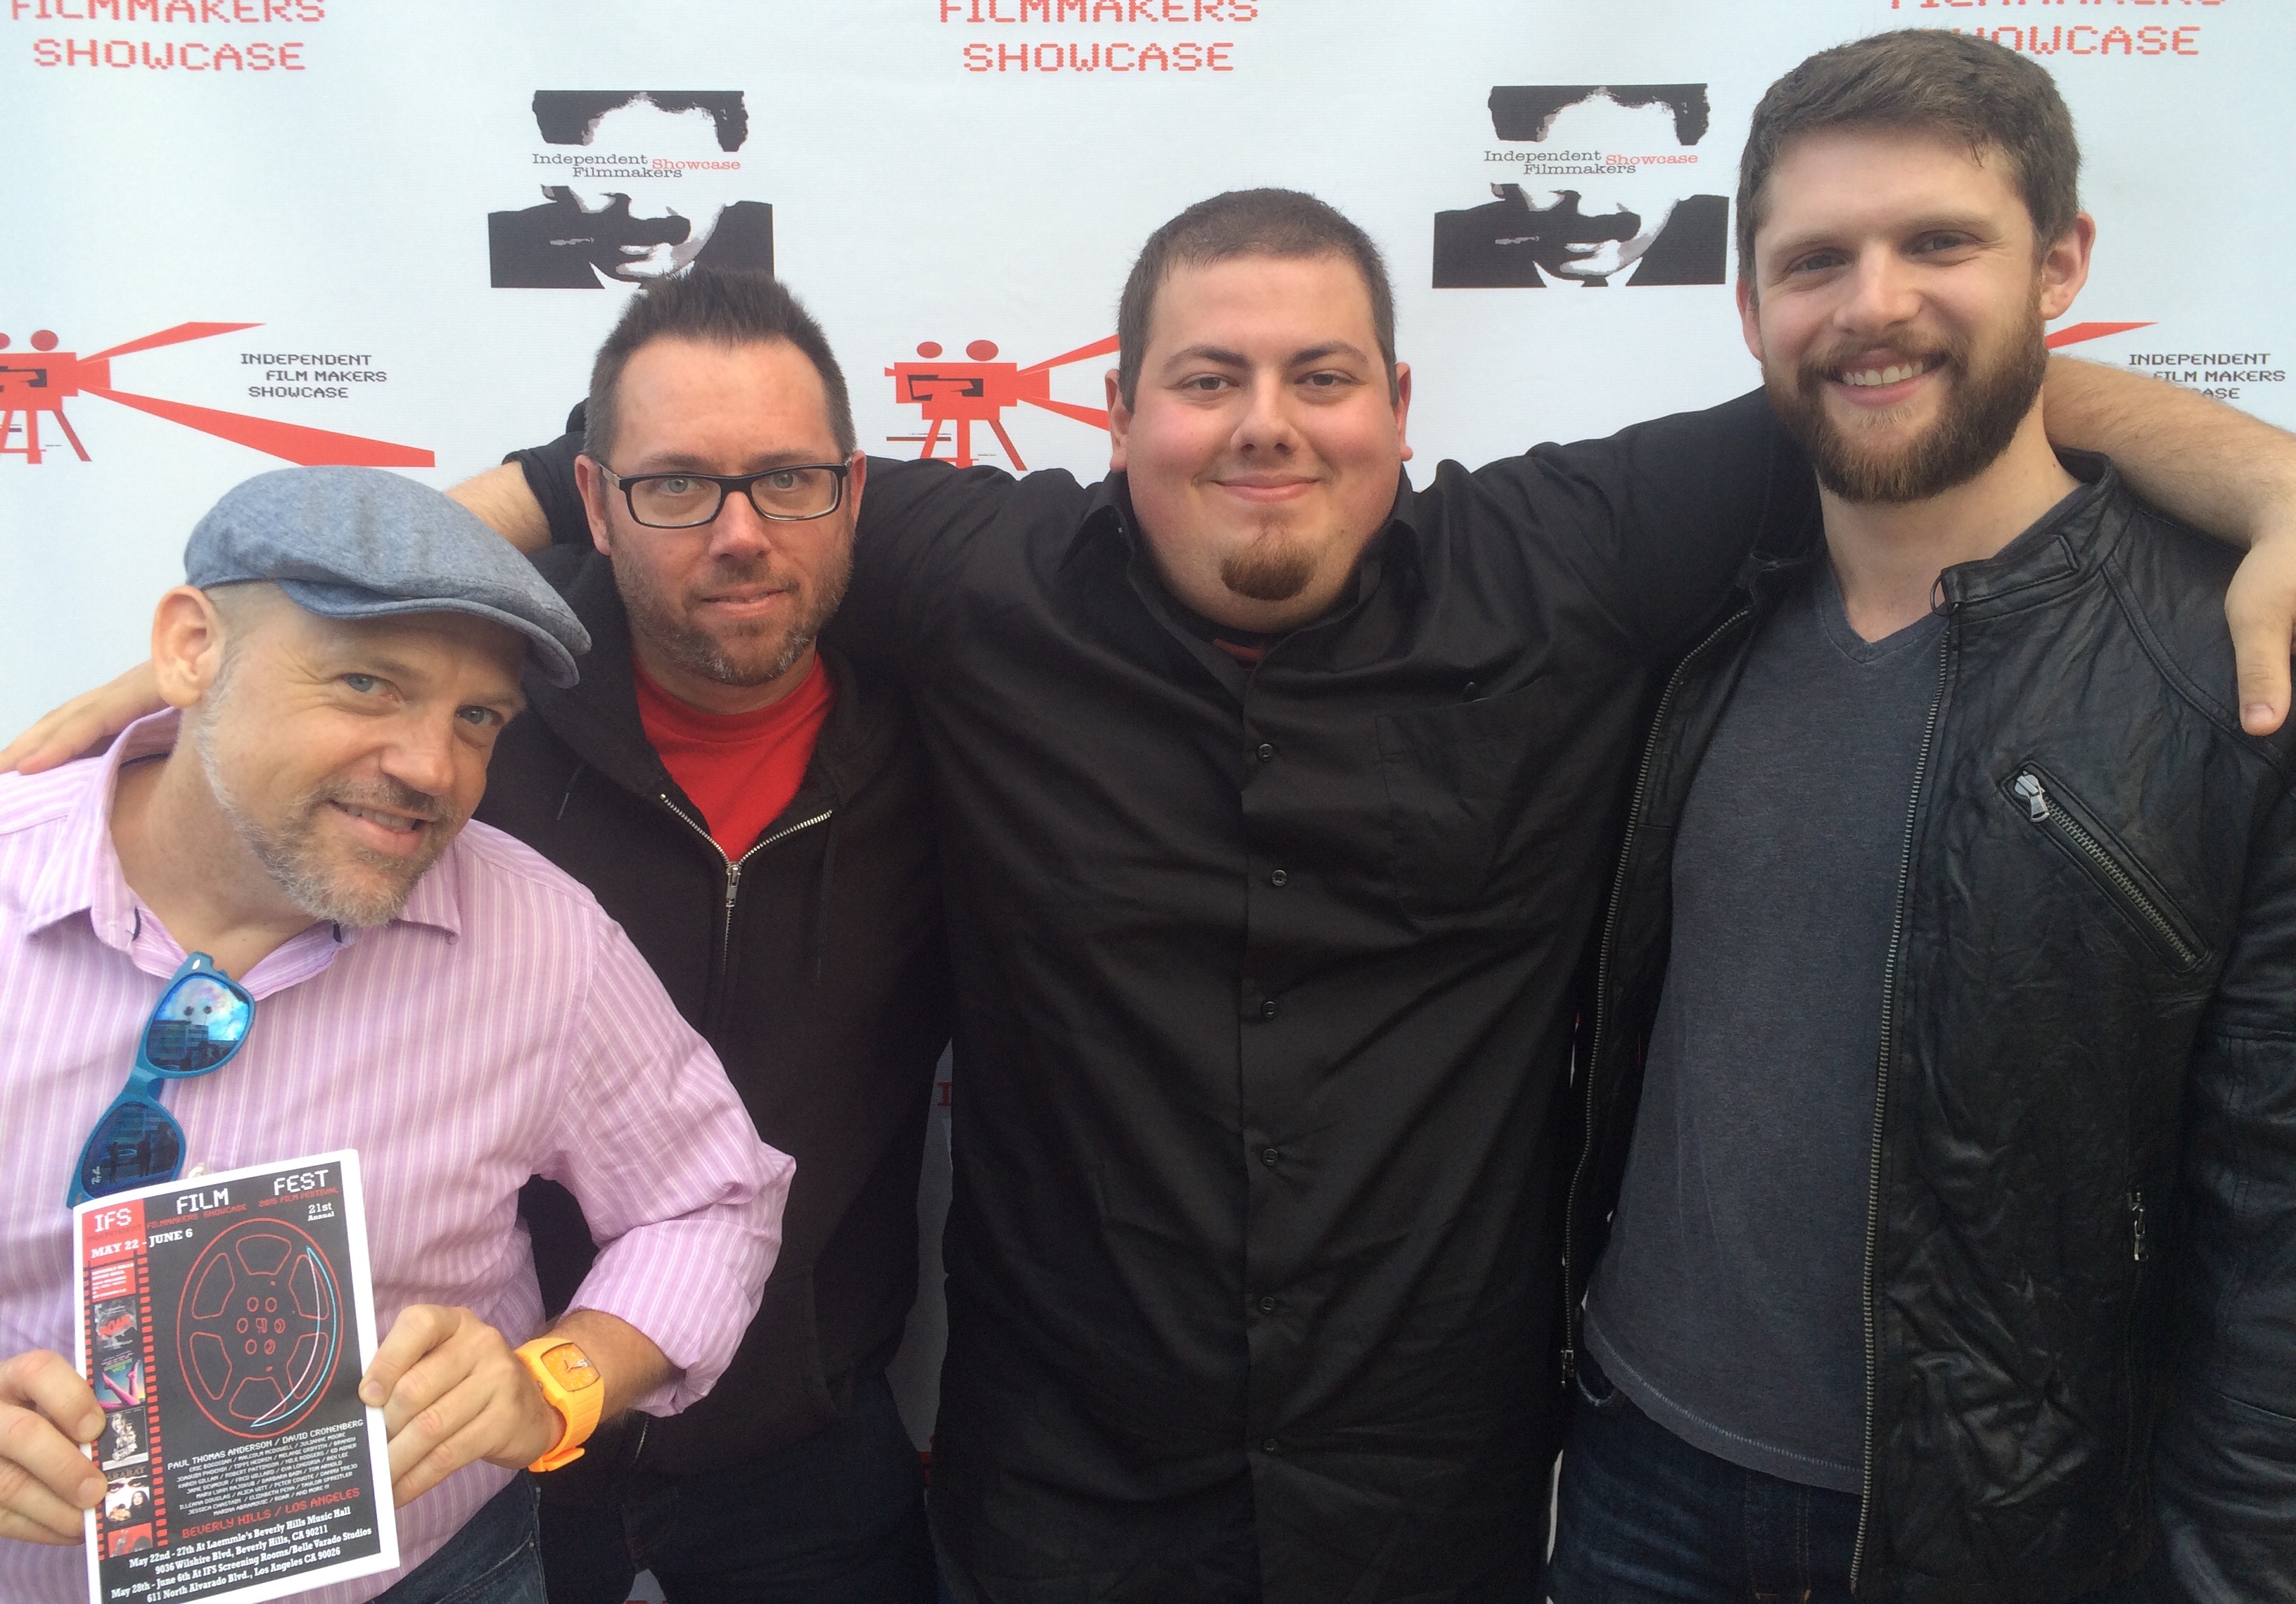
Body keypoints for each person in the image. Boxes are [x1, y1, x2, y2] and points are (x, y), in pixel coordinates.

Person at [16, 189, 2296, 1603]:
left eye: (1317, 377)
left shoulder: (1566, 554)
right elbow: (576, 474)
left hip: (1427, 1499)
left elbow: (1903, 375)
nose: (1260, 422)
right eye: (1204, 378)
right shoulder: (961, 567)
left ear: (1400, 404)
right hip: (1052, 1497)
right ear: (1113, 412)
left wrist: (2280, 481)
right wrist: (160, 687)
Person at [1549, 32, 2296, 1604]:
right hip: (1632, 1485)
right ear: (1750, 310)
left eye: (1941, 241)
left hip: (2002, 1542)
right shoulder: (1684, 623)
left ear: (2060, 264)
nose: (1874, 302)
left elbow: (2272, 1230)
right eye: (1817, 259)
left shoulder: (2229, 672)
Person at [0, 468, 791, 1604]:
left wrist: (553, 1385)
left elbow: (712, 1200)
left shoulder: (537, 937)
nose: (431, 769)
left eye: (477, 719)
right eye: (369, 684)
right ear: (190, 647)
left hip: (435, 1573)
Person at [481, 271, 949, 1601]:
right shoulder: (468, 745)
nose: (739, 533)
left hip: (806, 1448)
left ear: (854, 494)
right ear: (589, 501)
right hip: (488, 1448)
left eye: (787, 481)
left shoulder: (951, 756)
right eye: (676, 485)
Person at [1434, 84, 1728, 288]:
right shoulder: (1448, 255)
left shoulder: (1724, 252)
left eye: (1628, 170)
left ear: (1689, 174)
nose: (1590, 211)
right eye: (1555, 169)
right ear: (1499, 177)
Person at [489, 91, 773, 289]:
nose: (640, 213)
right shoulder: (505, 254)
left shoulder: (775, 257)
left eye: (677, 175)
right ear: (550, 180)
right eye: (606, 172)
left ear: (734, 180)